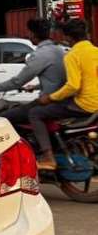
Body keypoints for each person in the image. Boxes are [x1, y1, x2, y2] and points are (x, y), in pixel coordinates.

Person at [0, 18, 66, 135]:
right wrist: (36, 86)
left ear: (33, 34)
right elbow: (57, 78)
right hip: (62, 100)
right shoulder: (60, 51)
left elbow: (17, 82)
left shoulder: (39, 55)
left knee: (5, 118)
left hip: (48, 102)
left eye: (29, 32)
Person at [30, 18, 98, 171]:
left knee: (35, 113)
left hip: (83, 105)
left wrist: (49, 97)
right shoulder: (96, 51)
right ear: (86, 34)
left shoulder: (73, 55)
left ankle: (49, 158)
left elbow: (73, 86)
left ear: (68, 37)